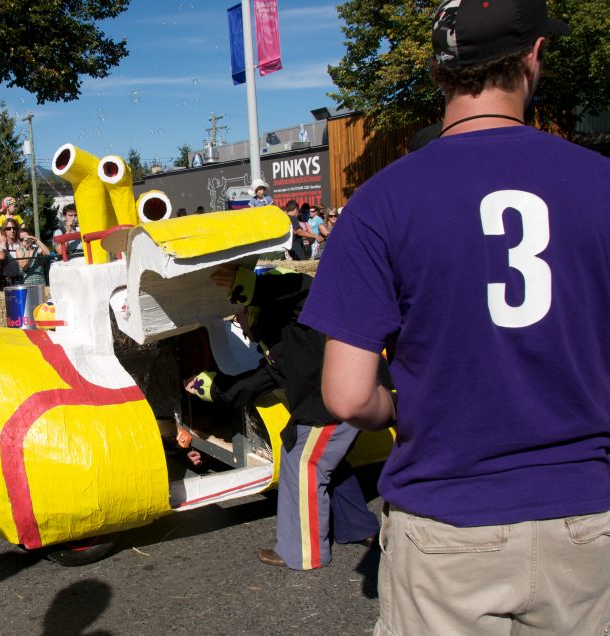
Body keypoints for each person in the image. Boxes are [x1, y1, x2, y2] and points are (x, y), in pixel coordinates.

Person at [300, 1, 610, 632]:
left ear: (440, 74)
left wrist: (397, 408)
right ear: (533, 58)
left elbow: (347, 393)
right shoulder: (599, 181)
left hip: (448, 518)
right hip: (589, 514)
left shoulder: (380, 203)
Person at [185, 264, 380, 570]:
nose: (237, 318)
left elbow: (300, 287)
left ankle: (301, 552)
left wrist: (248, 286)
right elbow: (249, 384)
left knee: (302, 462)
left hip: (335, 404)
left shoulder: (299, 317)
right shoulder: (278, 347)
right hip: (334, 403)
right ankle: (359, 526)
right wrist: (207, 387)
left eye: (241, 311)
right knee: (330, 463)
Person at [0, 218, 23, 285]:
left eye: (14, 228)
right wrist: (3, 243)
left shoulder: (21, 244)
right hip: (6, 280)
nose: (12, 230)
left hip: (21, 278)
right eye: (8, 228)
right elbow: (3, 257)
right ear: (4, 230)